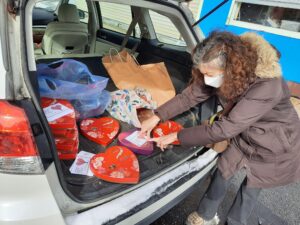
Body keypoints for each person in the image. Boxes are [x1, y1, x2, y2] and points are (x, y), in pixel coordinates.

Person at [140, 31, 300, 225]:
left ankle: (234, 222)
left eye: (209, 74)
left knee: (251, 187)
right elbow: (188, 97)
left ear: (231, 69)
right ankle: (206, 216)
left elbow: (225, 129)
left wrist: (177, 136)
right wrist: (156, 116)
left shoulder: (268, 85)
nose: (206, 79)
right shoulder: (225, 69)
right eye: (202, 73)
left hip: (275, 143)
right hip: (244, 133)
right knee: (223, 170)